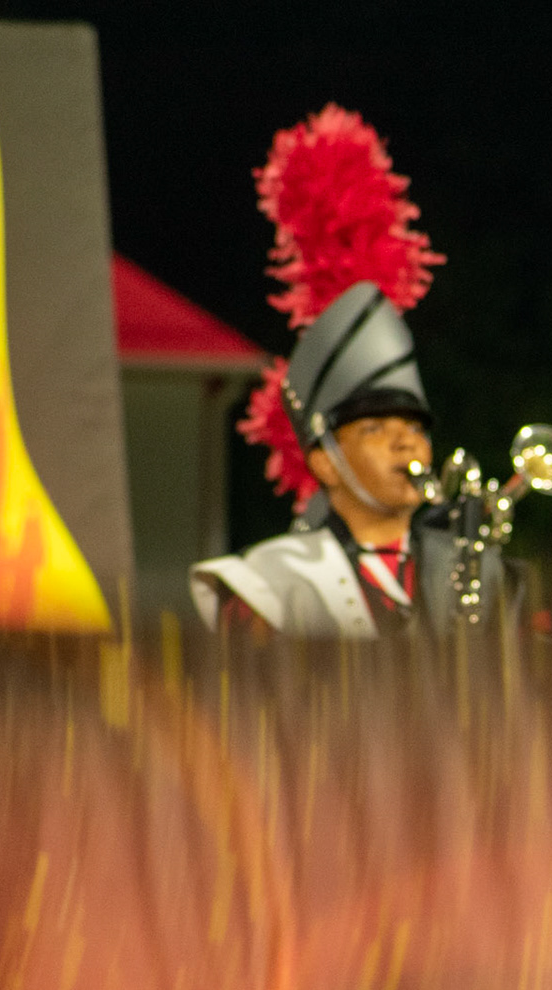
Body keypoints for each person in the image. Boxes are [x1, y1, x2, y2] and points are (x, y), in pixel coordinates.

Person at [190, 106, 471, 637]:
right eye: (375, 429)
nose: (406, 443)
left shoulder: (482, 573)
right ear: (324, 462)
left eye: (415, 428)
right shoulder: (267, 584)